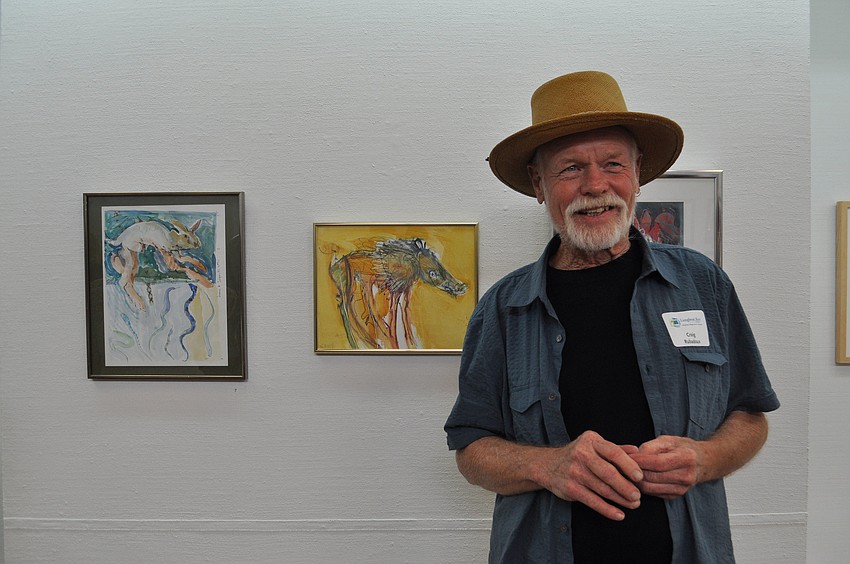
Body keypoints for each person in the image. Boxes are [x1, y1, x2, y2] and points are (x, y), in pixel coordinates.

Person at [444, 71, 779, 563]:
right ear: (539, 184)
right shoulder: (503, 308)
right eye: (571, 169)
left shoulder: (702, 283)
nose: (595, 185)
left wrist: (705, 458)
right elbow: (471, 449)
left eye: (613, 164)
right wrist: (549, 465)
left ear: (638, 172)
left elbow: (750, 414)